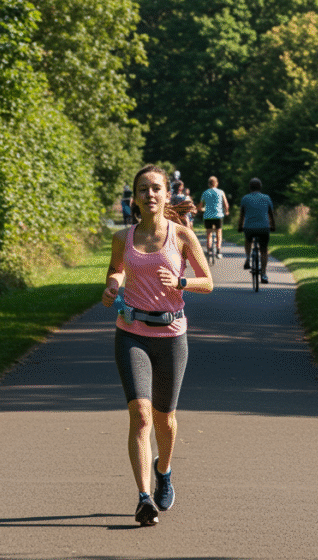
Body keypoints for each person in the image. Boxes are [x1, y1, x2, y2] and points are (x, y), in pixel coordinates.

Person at [102, 164, 213, 526]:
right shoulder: (123, 237)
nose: (149, 194)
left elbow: (208, 282)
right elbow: (116, 269)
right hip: (131, 332)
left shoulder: (181, 235)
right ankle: (144, 498)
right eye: (142, 189)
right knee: (141, 416)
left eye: (155, 189)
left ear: (167, 195)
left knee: (166, 420)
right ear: (134, 198)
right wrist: (113, 286)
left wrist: (181, 282)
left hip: (171, 336)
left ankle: (163, 470)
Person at [238, 177, 276, 284]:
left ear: (250, 188)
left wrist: (240, 226)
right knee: (263, 250)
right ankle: (263, 274)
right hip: (264, 228)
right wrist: (273, 226)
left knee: (248, 239)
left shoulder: (245, 198)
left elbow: (242, 215)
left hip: (249, 228)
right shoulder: (267, 198)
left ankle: (248, 257)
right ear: (260, 187)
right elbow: (271, 214)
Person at [198, 176, 230, 258]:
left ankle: (209, 251)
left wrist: (201, 209)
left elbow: (200, 206)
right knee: (218, 232)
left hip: (208, 216)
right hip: (218, 215)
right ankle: (218, 250)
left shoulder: (205, 193)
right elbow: (226, 204)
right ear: (217, 183)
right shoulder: (221, 192)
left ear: (208, 184)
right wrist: (226, 211)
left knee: (209, 234)